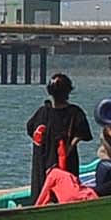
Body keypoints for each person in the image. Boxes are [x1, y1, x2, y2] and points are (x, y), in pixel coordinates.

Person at [25, 73, 88, 204]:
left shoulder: (42, 112)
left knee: (41, 188)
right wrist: (71, 146)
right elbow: (83, 133)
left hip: (45, 159)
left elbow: (30, 129)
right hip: (57, 160)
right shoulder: (73, 112)